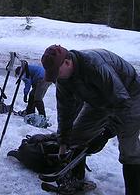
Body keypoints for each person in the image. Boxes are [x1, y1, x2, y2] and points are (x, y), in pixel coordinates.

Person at [41, 44, 140, 195]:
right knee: (76, 137)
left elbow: (121, 102)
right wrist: (63, 142)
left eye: (56, 72)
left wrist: (106, 134)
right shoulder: (63, 79)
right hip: (98, 100)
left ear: (67, 62)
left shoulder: (94, 65)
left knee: (128, 149)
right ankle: (76, 181)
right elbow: (65, 112)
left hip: (130, 97)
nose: (56, 78)